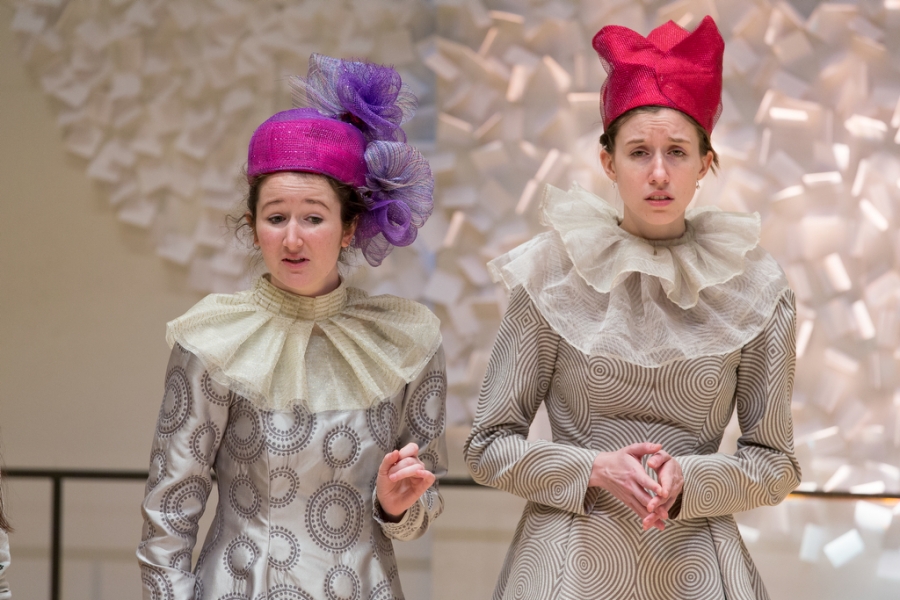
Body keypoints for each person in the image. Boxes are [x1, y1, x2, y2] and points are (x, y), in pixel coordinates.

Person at [465, 16, 801, 600]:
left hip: (697, 569)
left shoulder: (757, 288)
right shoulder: (551, 273)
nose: (659, 173)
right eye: (638, 152)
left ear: (706, 164)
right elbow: (487, 447)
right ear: (607, 163)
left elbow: (776, 464)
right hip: (565, 569)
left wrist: (689, 478)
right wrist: (592, 469)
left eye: (677, 152)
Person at [137, 54, 446, 600]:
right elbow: (169, 512)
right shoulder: (215, 339)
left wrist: (396, 507)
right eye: (275, 216)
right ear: (254, 228)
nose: (293, 238)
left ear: (350, 227)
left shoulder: (404, 341)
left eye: (314, 217)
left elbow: (425, 505)